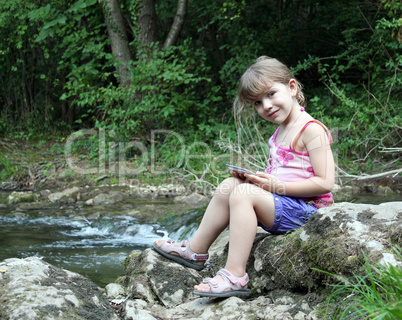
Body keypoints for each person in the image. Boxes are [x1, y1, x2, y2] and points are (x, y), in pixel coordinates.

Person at [152, 56, 335, 298]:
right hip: (284, 203)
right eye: (257, 102)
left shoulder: (311, 130)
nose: (266, 106)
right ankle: (196, 249)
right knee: (231, 185)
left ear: (292, 88)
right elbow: (282, 174)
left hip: (308, 213)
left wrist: (275, 186)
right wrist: (256, 180)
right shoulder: (280, 132)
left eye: (271, 94)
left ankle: (235, 275)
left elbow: (325, 182)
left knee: (242, 194)